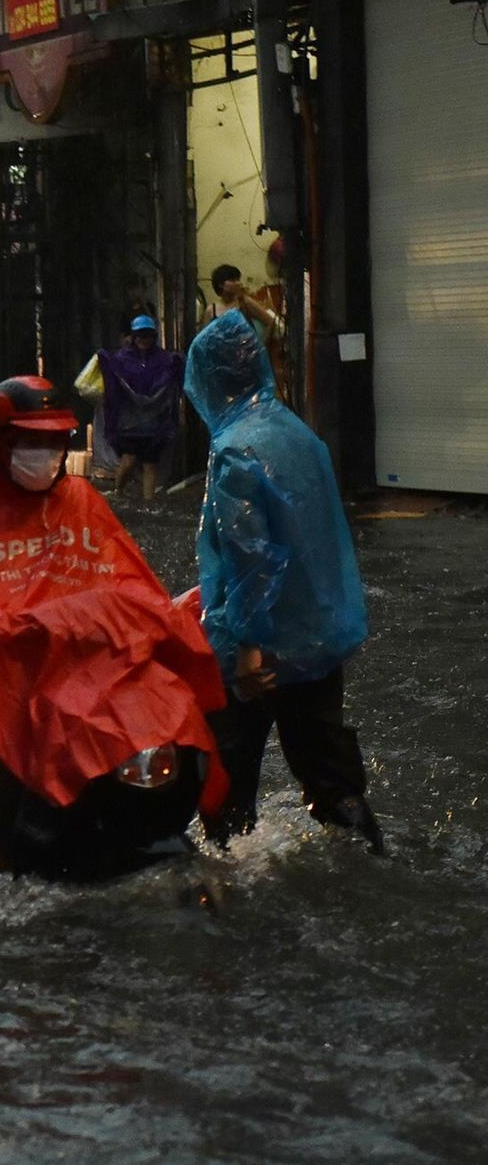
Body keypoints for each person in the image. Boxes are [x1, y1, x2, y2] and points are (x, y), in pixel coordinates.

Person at [0, 375, 228, 878]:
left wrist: (150, 616)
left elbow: (132, 581)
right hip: (15, 678)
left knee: (174, 705)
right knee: (8, 735)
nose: (45, 453)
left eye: (54, 442)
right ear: (1, 444)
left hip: (93, 669)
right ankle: (4, 862)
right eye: (32, 442)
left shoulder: (83, 502)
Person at [185, 313, 383, 852]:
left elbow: (250, 553)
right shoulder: (300, 435)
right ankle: (367, 852)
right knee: (327, 768)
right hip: (316, 635)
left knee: (229, 773)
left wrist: (248, 644)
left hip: (260, 647)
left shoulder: (234, 448)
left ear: (209, 381)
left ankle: (227, 874)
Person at [96, 314, 186, 502]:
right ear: (134, 337)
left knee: (150, 464)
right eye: (140, 335)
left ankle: (148, 504)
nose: (143, 340)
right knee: (128, 460)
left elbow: (172, 372)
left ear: (154, 337)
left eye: (147, 335)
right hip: (130, 423)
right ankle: (118, 492)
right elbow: (114, 377)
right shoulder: (123, 358)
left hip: (154, 423)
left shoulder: (163, 359)